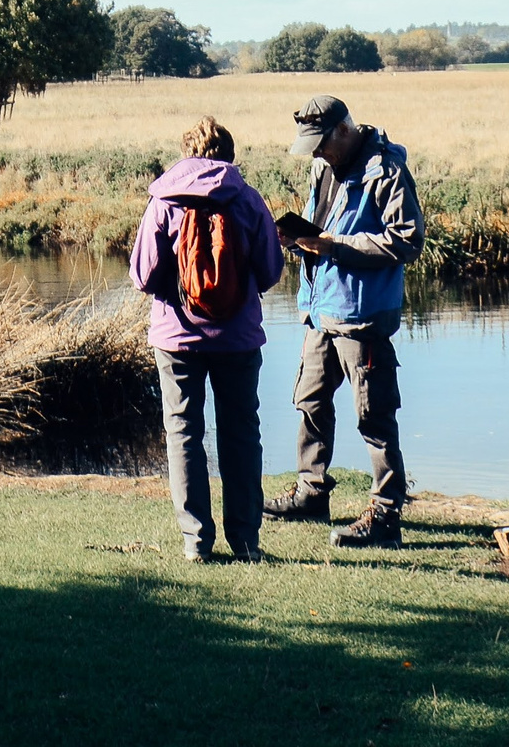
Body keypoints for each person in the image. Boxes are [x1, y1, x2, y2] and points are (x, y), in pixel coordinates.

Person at [265, 94, 427, 549]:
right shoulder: (322, 168)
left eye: (320, 142)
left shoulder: (387, 171)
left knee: (373, 416)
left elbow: (407, 241)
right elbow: (321, 231)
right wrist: (299, 241)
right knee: (310, 401)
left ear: (343, 129)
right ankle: (310, 492)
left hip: (362, 318)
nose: (315, 152)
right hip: (320, 310)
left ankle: (386, 514)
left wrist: (335, 246)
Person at [128, 115, 288, 562]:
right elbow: (271, 272)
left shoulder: (163, 201)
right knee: (241, 435)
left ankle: (196, 541)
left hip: (176, 338)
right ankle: (246, 541)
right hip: (237, 340)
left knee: (183, 433)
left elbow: (142, 275)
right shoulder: (249, 200)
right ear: (230, 155)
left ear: (186, 154)